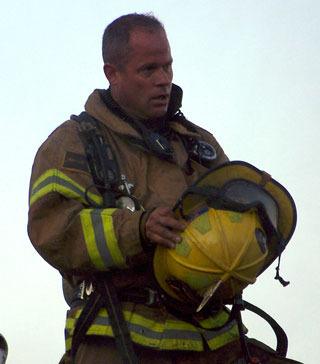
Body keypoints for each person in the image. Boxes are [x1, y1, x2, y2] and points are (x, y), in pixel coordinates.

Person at [28, 13, 302, 364]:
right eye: (149, 70)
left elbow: (235, 221)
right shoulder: (73, 144)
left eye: (168, 67)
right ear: (112, 74)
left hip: (214, 337)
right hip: (118, 336)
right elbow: (51, 230)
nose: (164, 81)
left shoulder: (199, 143)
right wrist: (137, 230)